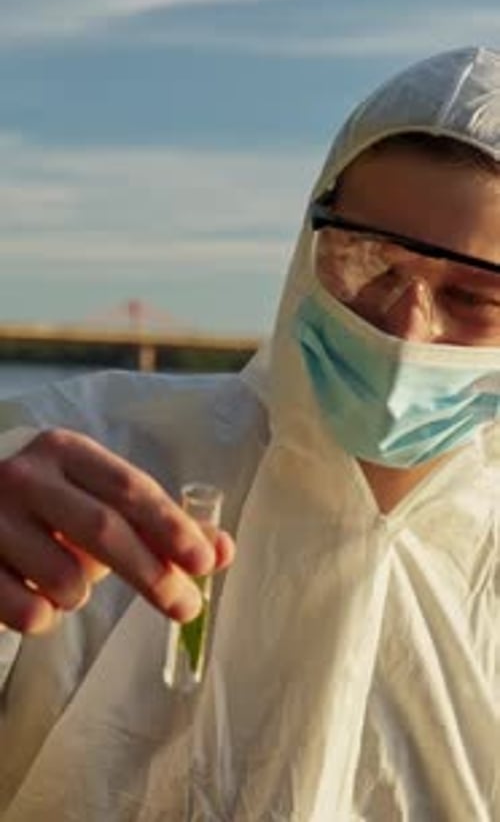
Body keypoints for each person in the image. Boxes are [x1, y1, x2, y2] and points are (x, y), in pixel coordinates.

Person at [0, 46, 499, 821]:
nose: (407, 327)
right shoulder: (82, 464)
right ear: (310, 248)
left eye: (475, 298)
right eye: (369, 260)